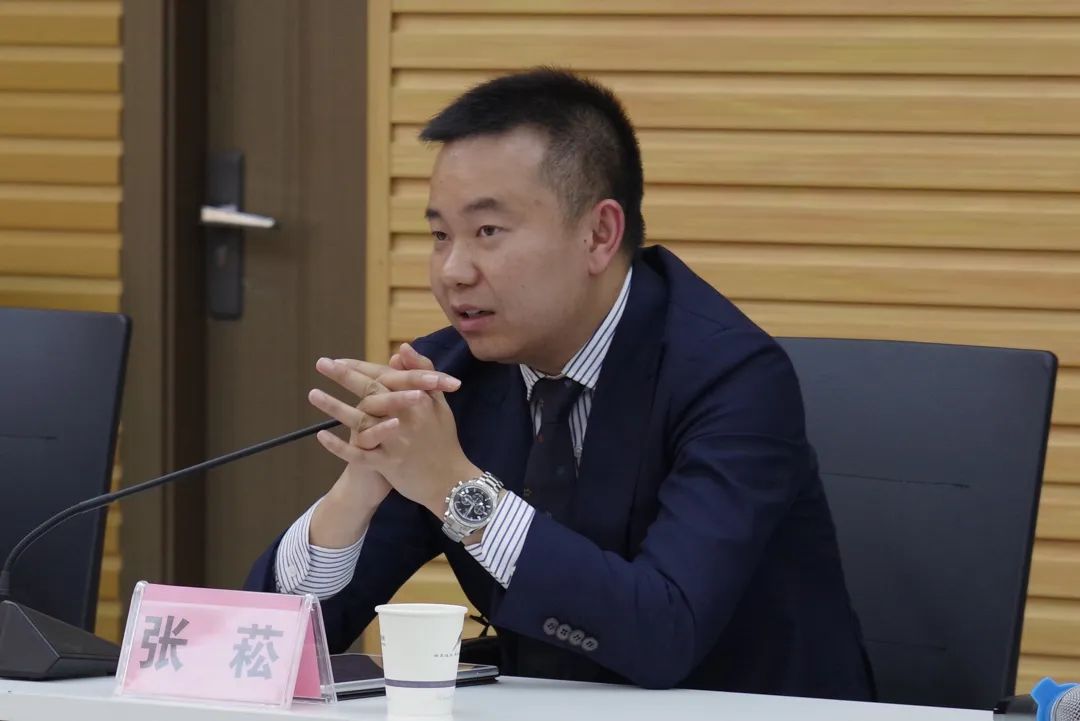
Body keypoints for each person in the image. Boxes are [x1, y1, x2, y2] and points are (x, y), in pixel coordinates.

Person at [245, 68, 873, 699]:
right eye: (439, 235)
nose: (453, 270)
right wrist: (357, 492)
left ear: (599, 235)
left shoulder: (732, 377)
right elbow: (276, 644)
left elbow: (665, 632)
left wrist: (457, 490)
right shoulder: (451, 379)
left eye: (487, 232)